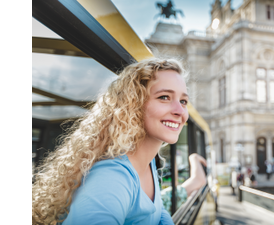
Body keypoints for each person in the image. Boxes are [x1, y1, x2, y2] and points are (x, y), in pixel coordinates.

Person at [32, 58, 190, 224]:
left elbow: (155, 214)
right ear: (134, 104)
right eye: (164, 97)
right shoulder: (112, 176)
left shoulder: (148, 164)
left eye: (183, 101)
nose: (180, 111)